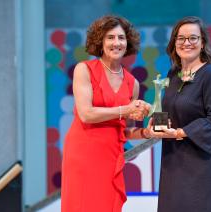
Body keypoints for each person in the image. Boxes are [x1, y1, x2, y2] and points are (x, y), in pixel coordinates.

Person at [61, 15, 151, 212]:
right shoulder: (84, 70)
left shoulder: (132, 83)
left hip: (111, 158)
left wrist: (148, 133)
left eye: (121, 38)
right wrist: (126, 109)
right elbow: (86, 114)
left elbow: (123, 132)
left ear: (128, 43)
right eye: (110, 37)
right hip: (82, 154)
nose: (116, 43)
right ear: (100, 41)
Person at [147, 16, 211, 212]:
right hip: (173, 164)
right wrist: (156, 121)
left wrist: (178, 133)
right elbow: (170, 110)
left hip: (204, 166)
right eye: (181, 38)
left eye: (193, 38)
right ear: (174, 42)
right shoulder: (173, 75)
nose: (187, 43)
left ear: (202, 43)